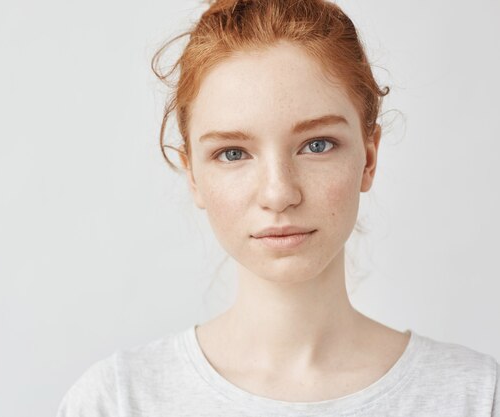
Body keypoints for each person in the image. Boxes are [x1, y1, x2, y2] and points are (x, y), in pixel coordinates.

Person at [56, 0, 499, 415]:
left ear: (369, 157)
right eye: (232, 153)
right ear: (193, 175)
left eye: (317, 145)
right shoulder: (118, 401)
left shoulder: (476, 398)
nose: (279, 193)